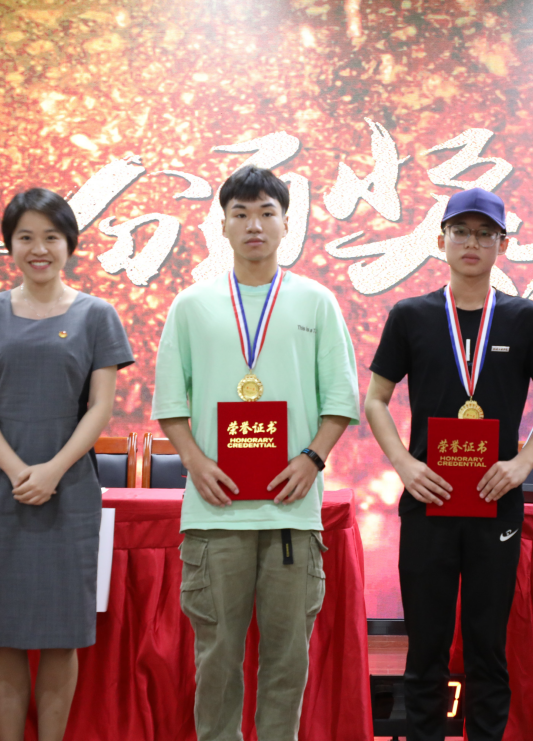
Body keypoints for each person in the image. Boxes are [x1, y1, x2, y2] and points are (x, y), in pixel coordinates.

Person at [152, 165, 359, 741]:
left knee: (287, 662)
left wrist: (312, 459)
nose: (254, 225)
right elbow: (169, 401)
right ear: (222, 225)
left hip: (291, 512)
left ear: (286, 224)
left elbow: (341, 400)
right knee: (217, 661)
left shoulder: (316, 302)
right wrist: (194, 461)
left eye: (267, 213)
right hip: (215, 512)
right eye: (240, 213)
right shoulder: (192, 304)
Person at [365, 188, 533, 741]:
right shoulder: (411, 315)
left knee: (487, 647)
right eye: (461, 232)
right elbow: (376, 400)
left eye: (485, 234)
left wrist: (523, 464)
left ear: (504, 244)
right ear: (441, 241)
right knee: (426, 649)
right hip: (427, 499)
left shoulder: (527, 318)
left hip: (495, 501)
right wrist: (405, 465)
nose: (472, 243)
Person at [0, 188, 134, 741]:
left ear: (69, 244)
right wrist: (15, 470)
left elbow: (100, 407)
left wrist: (53, 470)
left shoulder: (97, 315)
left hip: (70, 489)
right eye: (25, 237)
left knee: (62, 635)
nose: (39, 249)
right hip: (0, 490)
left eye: (51, 237)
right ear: (9, 245)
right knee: (1, 634)